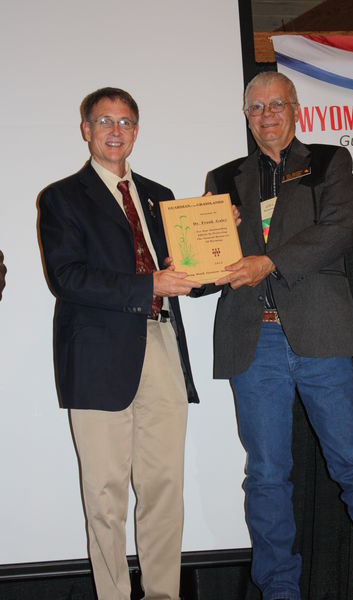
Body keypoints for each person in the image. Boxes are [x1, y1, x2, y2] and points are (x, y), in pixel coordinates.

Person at [203, 71, 353, 600]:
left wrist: (266, 260)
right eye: (255, 108)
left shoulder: (330, 162)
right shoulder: (222, 179)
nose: (266, 116)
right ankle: (279, 590)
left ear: (296, 109)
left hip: (320, 333)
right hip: (253, 340)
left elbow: (337, 229)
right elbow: (212, 264)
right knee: (266, 475)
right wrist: (199, 254)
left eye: (276, 105)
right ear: (246, 116)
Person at [38, 87, 201, 600]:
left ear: (136, 131)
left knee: (164, 490)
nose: (115, 130)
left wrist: (218, 248)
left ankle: (163, 595)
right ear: (85, 129)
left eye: (126, 121)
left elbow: (188, 277)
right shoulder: (63, 197)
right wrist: (149, 285)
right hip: (97, 357)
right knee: (104, 496)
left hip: (162, 346)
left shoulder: (160, 194)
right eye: (104, 121)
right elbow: (67, 277)